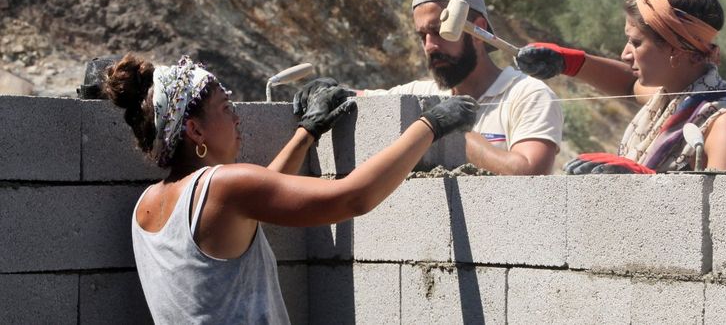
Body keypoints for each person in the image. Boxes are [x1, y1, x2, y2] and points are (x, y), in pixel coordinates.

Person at [104, 53, 477, 324]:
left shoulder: (147, 207)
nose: (237, 116)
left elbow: (258, 199)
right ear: (195, 131)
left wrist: (308, 131)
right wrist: (428, 125)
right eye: (224, 107)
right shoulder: (222, 187)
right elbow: (354, 197)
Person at [294, 0, 563, 175]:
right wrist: (331, 94)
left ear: (478, 30)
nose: (430, 46)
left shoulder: (527, 94)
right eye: (423, 35)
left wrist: (451, 132)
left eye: (439, 31)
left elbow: (529, 174)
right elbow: (366, 100)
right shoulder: (424, 96)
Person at [516, 0, 726, 174]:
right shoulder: (672, 97)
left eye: (636, 43)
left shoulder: (725, 123)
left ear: (677, 49)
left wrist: (643, 184)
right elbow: (628, 84)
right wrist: (570, 62)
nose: (625, 54)